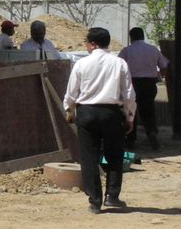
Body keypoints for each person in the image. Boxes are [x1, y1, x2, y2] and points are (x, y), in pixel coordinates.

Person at [62, 27, 136, 214]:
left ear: (93, 43)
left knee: (89, 157)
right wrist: (129, 117)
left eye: (87, 42)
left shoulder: (81, 64)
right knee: (114, 155)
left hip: (86, 113)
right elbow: (128, 94)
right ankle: (112, 196)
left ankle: (94, 201)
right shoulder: (119, 63)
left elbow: (72, 92)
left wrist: (69, 110)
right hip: (111, 113)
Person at [119, 27, 168, 150]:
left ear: (131, 38)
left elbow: (118, 67)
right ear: (143, 36)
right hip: (149, 84)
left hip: (133, 83)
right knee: (148, 112)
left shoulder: (127, 50)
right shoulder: (153, 49)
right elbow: (164, 65)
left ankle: (130, 140)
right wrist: (161, 76)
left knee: (131, 111)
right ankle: (152, 137)